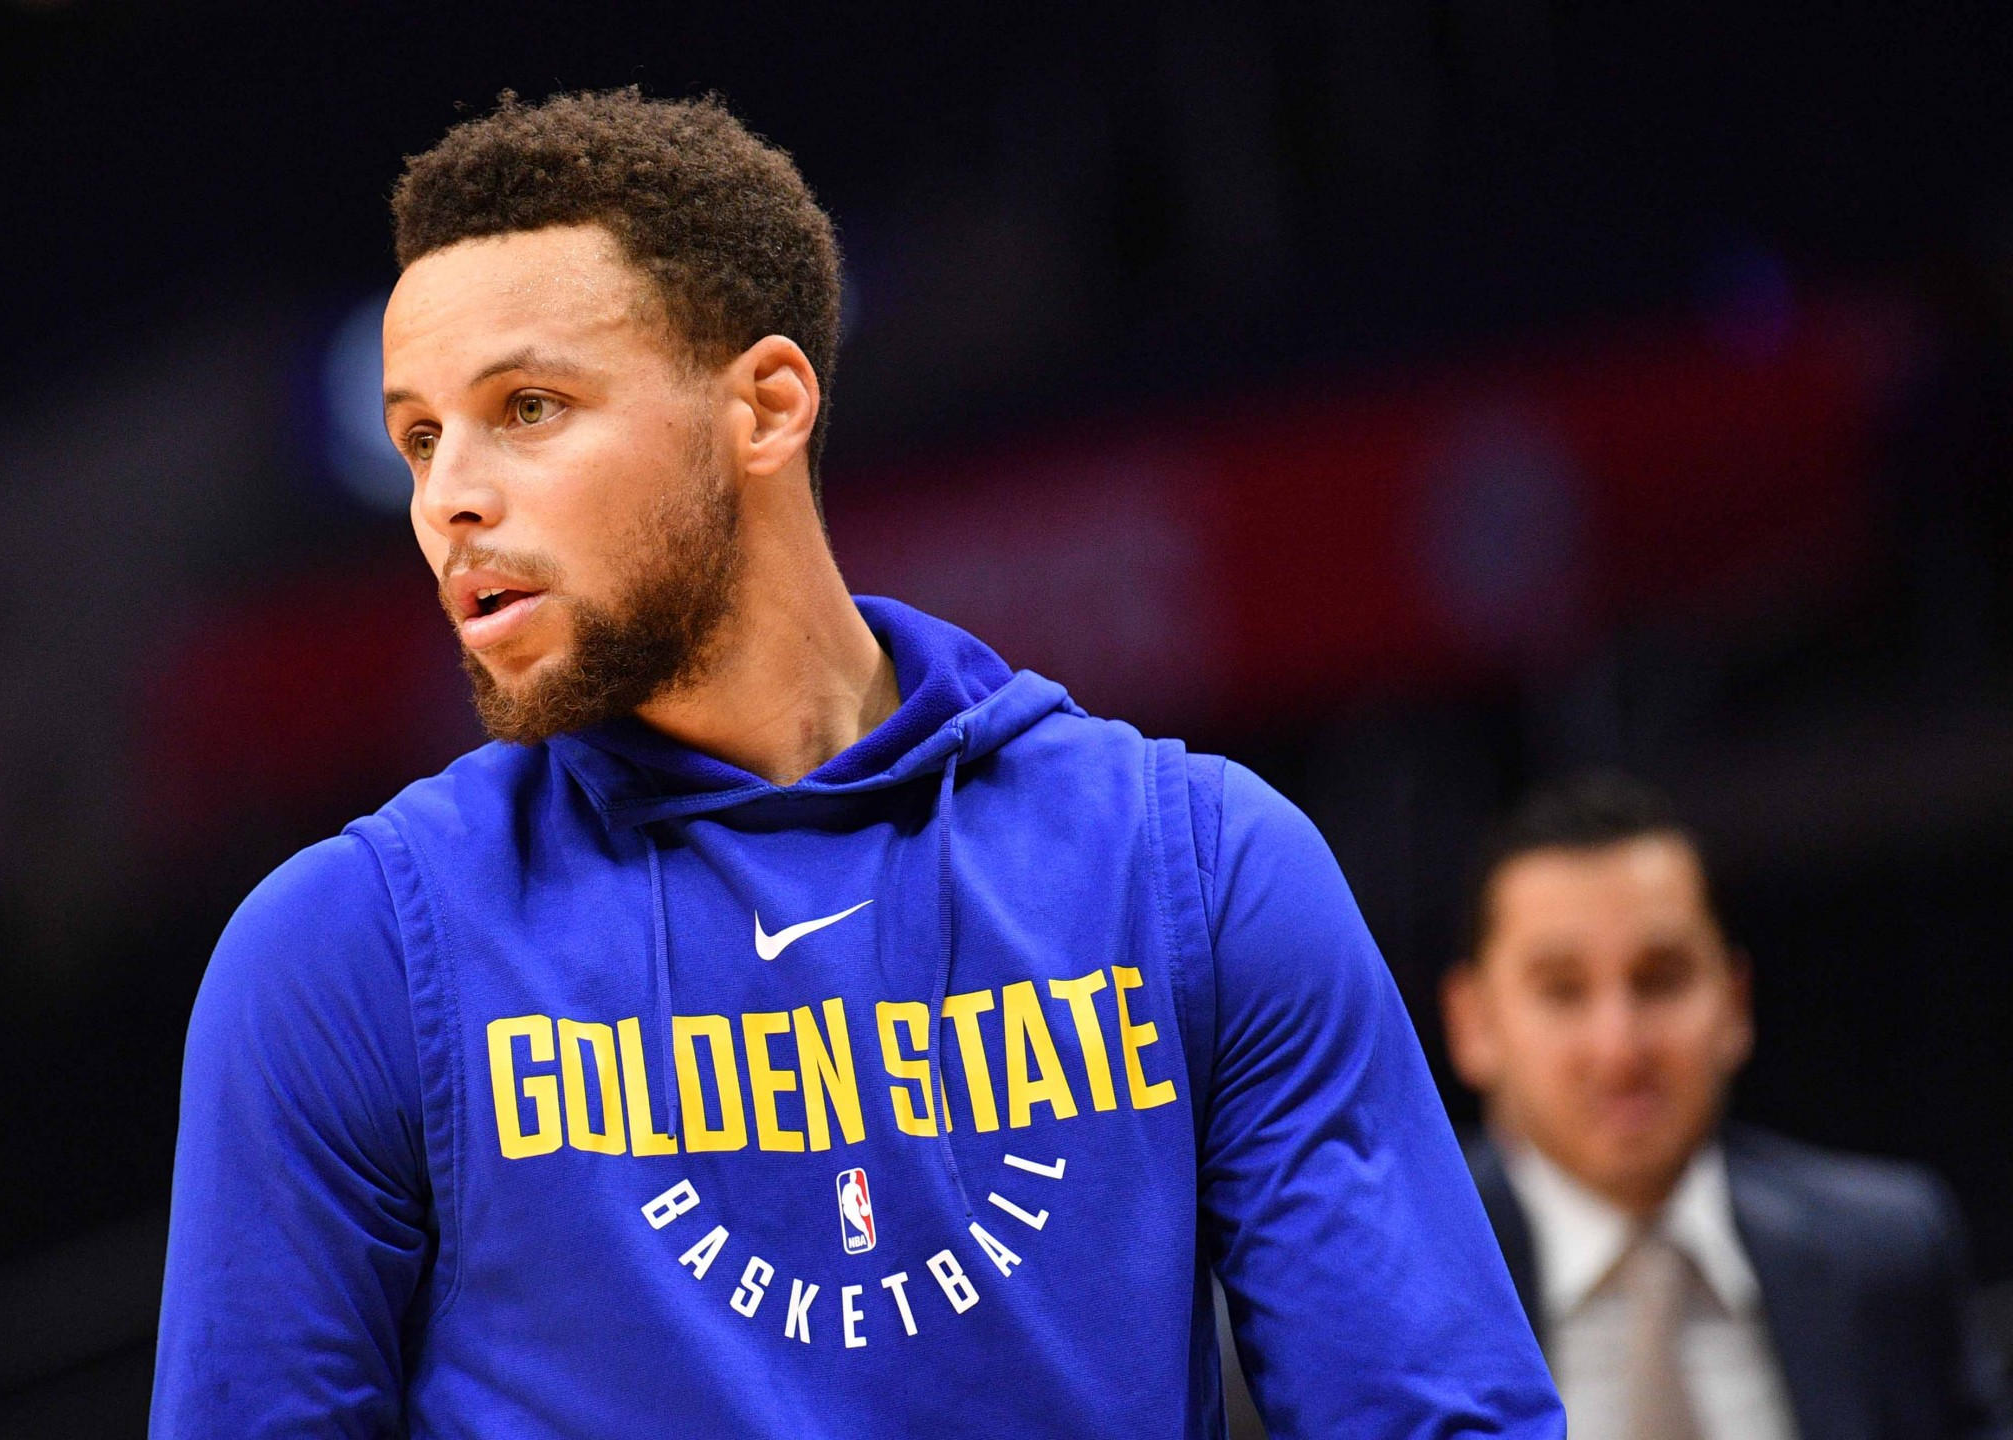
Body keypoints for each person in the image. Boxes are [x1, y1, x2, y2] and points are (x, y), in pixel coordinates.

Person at [150, 87, 1560, 1438]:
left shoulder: (1195, 867)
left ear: (766, 406)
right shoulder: (342, 957)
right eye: (417, 438)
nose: (448, 498)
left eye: (528, 407)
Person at [1442, 772, 2010, 1440]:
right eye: (1563, 991)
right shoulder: (1407, 1283)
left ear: (1735, 1003)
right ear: (1473, 1025)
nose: (1619, 1049)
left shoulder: (1887, 1256)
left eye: (1662, 981)